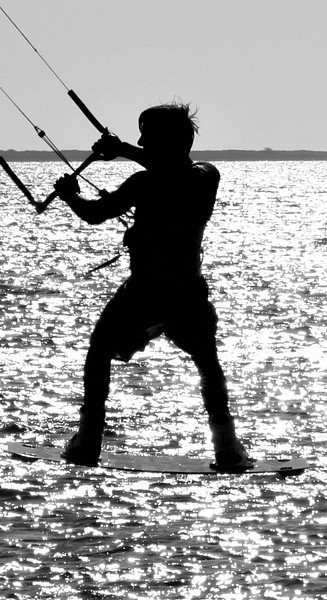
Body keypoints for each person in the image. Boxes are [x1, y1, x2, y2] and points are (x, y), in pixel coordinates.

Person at [50, 103, 253, 469]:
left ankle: (87, 443)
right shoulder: (206, 177)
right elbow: (170, 169)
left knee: (99, 353)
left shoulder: (149, 182)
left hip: (145, 293)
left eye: (147, 137)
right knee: (207, 363)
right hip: (187, 293)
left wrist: (69, 194)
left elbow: (95, 214)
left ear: (165, 142)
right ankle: (226, 447)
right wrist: (123, 150)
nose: (141, 141)